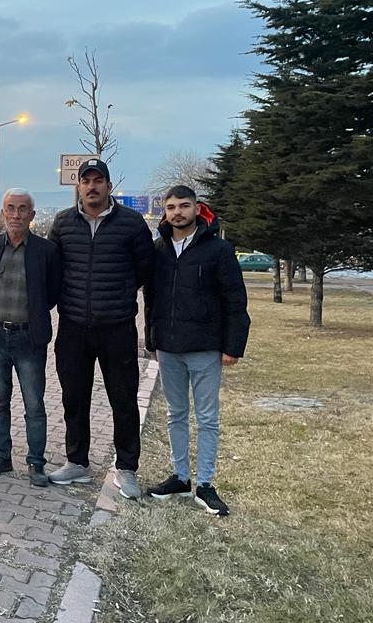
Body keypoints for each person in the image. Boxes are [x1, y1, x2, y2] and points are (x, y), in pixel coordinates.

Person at [47, 158, 154, 498]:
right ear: (78, 186)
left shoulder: (132, 224)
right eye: (86, 181)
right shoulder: (63, 223)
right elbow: (54, 268)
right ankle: (76, 462)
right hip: (73, 327)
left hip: (117, 327)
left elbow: (145, 270)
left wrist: (118, 295)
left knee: (123, 400)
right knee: (73, 398)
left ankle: (127, 468)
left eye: (98, 181)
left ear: (109, 185)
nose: (91, 186)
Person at [143, 185, 249, 517]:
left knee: (206, 418)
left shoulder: (219, 250)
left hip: (205, 347)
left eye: (184, 206)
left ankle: (205, 484)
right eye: (171, 207)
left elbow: (235, 300)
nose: (177, 212)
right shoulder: (159, 250)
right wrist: (152, 340)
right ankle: (180, 477)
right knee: (175, 414)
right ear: (165, 212)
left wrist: (233, 346)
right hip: (169, 347)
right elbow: (151, 299)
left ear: (196, 208)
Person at [0, 189, 60, 487]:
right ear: (2, 213)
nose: (16, 214)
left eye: (22, 209)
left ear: (32, 215)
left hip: (29, 338)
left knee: (34, 404)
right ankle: (1, 456)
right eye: (10, 208)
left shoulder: (46, 251)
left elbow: (52, 293)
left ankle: (36, 463)